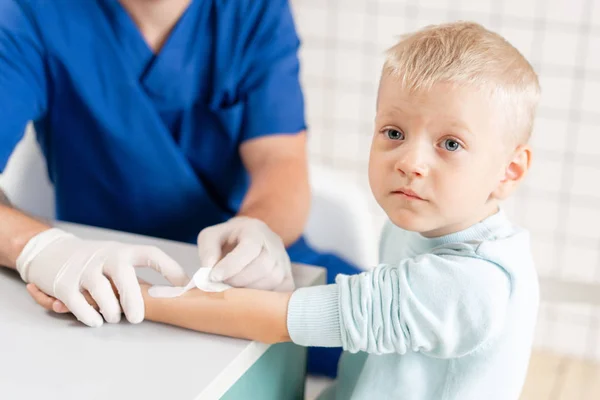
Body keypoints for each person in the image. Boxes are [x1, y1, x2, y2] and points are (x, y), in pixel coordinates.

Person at [29, 21, 542, 399]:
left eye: (450, 144)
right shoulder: (424, 222)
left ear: (510, 172)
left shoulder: (471, 285)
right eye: (393, 133)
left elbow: (281, 320)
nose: (410, 162)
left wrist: (126, 296)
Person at [0, 0, 359, 377]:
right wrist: (39, 249)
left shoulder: (253, 10)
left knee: (398, 352)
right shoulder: (33, 13)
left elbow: (280, 161)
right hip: (97, 277)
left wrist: (260, 230)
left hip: (253, 269)